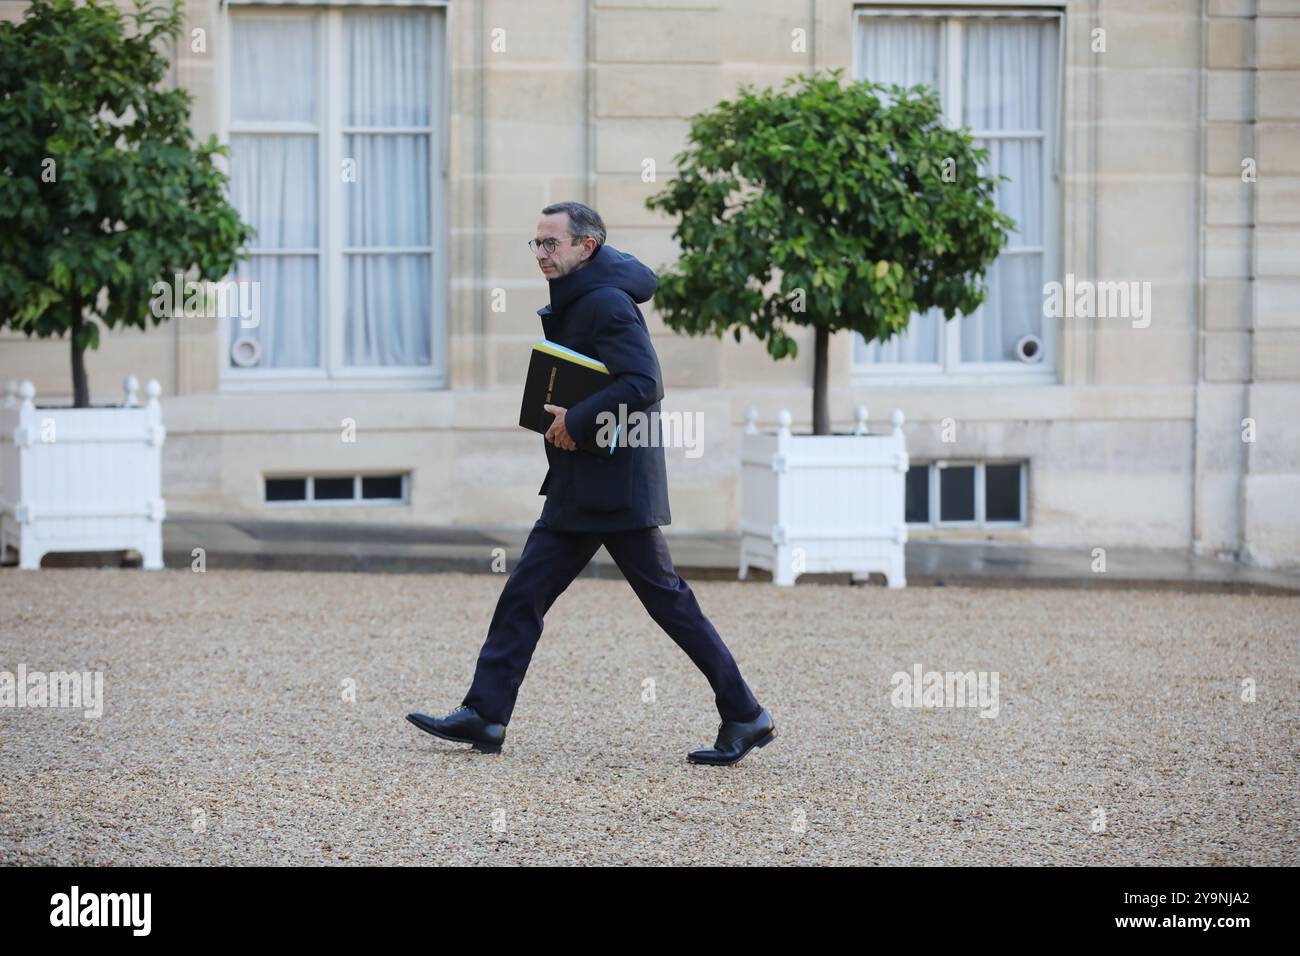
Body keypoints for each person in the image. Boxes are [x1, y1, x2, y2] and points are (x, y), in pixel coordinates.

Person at [407, 201, 775, 766]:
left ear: (588, 247)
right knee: (526, 594)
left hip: (615, 486)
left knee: (667, 603)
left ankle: (746, 713)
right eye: (537, 244)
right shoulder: (585, 295)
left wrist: (575, 420)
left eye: (552, 243)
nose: (542, 254)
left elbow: (644, 382)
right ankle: (486, 713)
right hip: (585, 482)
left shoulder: (606, 302)